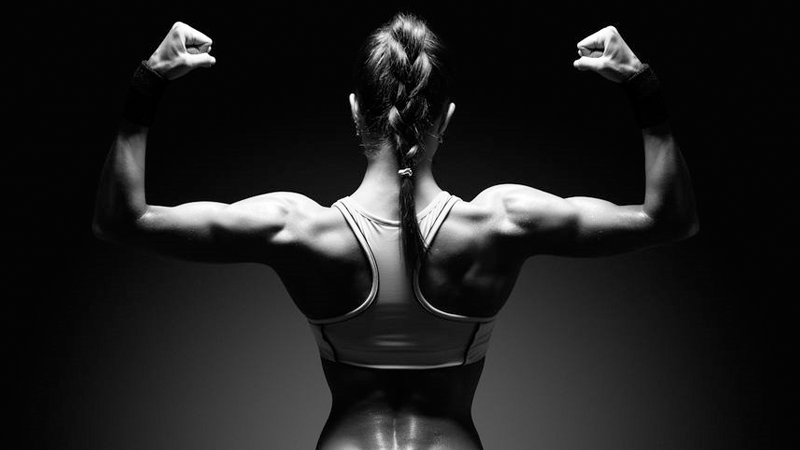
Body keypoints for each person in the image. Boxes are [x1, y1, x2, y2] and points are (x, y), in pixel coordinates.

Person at [93, 13, 698, 450]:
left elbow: (123, 221)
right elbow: (667, 219)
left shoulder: (295, 228)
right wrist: (643, 88)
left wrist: (147, 84)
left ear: (357, 111)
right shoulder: (504, 220)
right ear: (446, 119)